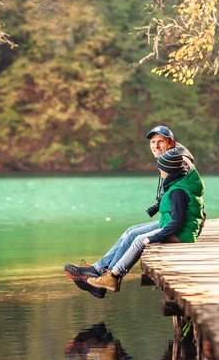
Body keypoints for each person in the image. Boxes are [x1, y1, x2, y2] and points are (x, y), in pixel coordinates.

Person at [63, 125, 201, 298]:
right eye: (153, 142)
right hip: (173, 219)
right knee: (130, 232)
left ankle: (107, 277)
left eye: (160, 142)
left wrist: (192, 224)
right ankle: (99, 271)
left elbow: (183, 199)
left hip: (178, 224)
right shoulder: (172, 158)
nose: (156, 146)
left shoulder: (178, 163)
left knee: (137, 239)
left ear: (171, 143)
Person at [86, 148, 205, 292]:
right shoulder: (180, 182)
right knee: (131, 232)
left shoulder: (178, 191)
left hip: (181, 234)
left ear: (168, 171)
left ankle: (114, 276)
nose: (160, 172)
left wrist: (155, 237)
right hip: (177, 227)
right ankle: (107, 273)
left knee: (139, 241)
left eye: (161, 169)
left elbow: (178, 222)